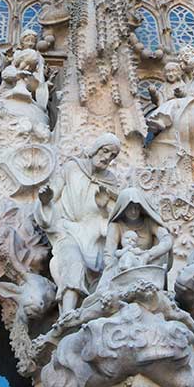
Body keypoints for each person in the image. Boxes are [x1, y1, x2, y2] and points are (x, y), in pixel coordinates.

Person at [36, 135, 122, 315]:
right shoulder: (72, 168)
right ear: (95, 149)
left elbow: (114, 218)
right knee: (74, 262)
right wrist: (45, 201)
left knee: (101, 277)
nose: (107, 157)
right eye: (105, 151)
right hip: (67, 230)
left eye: (112, 156)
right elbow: (53, 194)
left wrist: (104, 206)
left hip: (94, 237)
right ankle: (67, 314)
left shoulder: (111, 182)